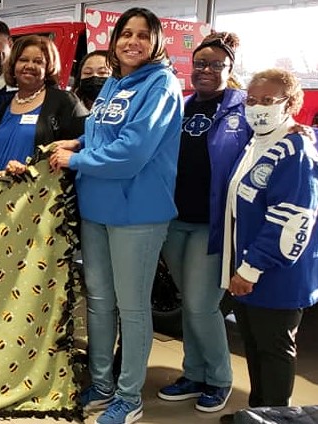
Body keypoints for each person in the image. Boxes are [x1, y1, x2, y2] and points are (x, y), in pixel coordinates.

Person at [49, 7, 183, 424]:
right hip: (98, 208)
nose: (133, 41)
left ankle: (129, 396)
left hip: (138, 212)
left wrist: (75, 160)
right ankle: (103, 386)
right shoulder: (114, 81)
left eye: (144, 35)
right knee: (101, 302)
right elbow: (99, 132)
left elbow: (132, 151)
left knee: (132, 307)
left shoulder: (160, 84)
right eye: (126, 33)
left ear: (156, 41)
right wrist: (76, 140)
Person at [157, 32, 249, 414]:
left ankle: (219, 377)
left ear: (230, 70)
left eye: (216, 65)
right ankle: (194, 372)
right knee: (189, 301)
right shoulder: (180, 106)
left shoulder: (244, 109)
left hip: (212, 225)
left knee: (201, 304)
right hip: (174, 219)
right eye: (200, 65)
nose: (206, 71)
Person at [220, 68, 318, 420]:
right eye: (251, 99)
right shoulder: (260, 140)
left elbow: (291, 218)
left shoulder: (295, 148)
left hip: (273, 275)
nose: (256, 107)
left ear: (291, 104)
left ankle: (276, 416)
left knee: (274, 352)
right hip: (248, 271)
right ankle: (258, 413)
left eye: (268, 101)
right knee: (256, 349)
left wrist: (250, 269)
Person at [0, 35, 87, 170]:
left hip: (39, 188)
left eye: (38, 61)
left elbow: (88, 140)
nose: (29, 66)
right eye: (23, 60)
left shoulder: (64, 101)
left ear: (48, 67)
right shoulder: (5, 105)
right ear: (13, 65)